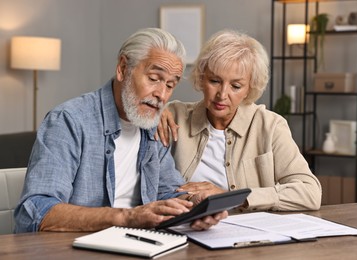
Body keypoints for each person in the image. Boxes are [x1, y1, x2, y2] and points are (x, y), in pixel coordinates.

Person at [14, 28, 227, 233]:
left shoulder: (152, 126)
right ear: (123, 68)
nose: (161, 94)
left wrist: (194, 206)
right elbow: (36, 210)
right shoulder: (69, 121)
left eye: (170, 85)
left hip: (138, 243)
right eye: (154, 79)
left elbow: (168, 191)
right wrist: (127, 217)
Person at [157, 30, 322, 212]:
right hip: (188, 226)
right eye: (214, 81)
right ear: (202, 78)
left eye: (236, 86)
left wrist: (231, 198)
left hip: (248, 234)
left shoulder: (270, 126)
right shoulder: (174, 116)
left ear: (249, 89)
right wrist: (155, 112)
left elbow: (310, 192)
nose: (222, 95)